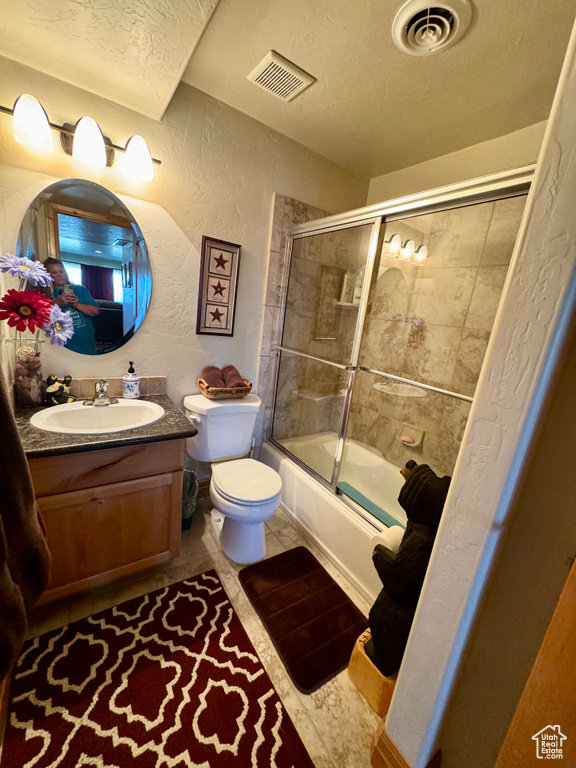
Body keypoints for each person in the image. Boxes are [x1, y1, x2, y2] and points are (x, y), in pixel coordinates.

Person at [44, 258, 100, 355]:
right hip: (63, 348)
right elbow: (41, 319)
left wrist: (77, 304)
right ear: (48, 275)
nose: (59, 275)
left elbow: (95, 311)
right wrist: (56, 303)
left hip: (86, 344)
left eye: (61, 271)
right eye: (54, 272)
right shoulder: (45, 295)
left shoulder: (79, 289)